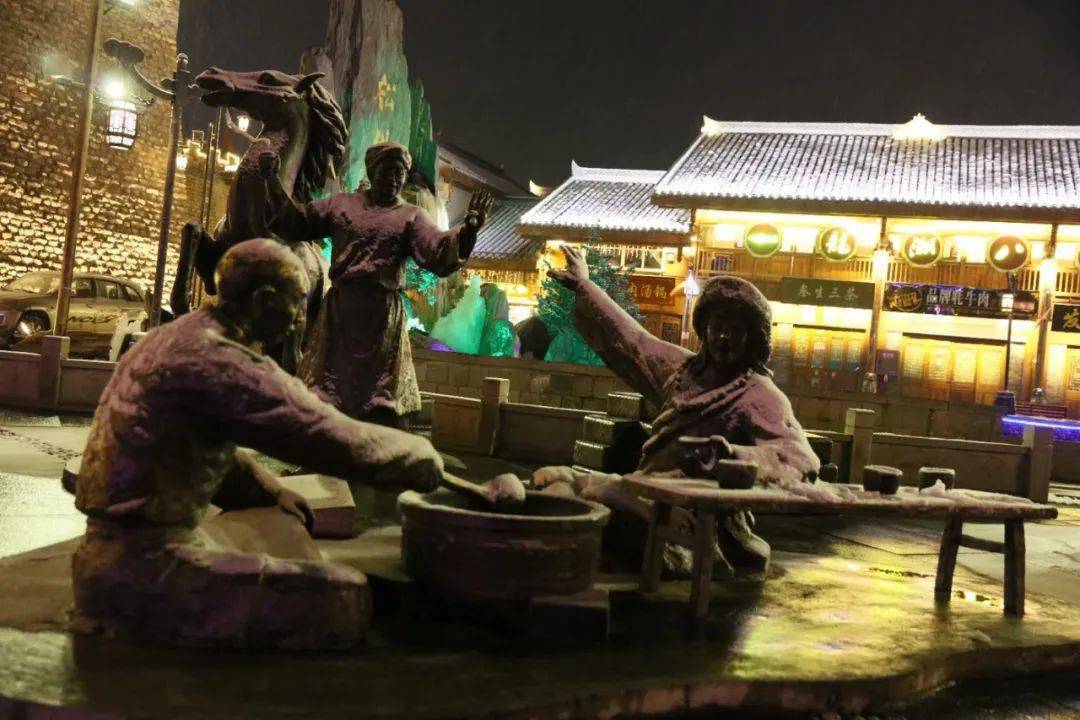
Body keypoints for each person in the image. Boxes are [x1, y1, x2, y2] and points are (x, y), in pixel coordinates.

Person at [72, 239, 444, 650]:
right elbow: (327, 436)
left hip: (105, 560)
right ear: (264, 301)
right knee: (344, 596)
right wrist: (418, 457)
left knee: (285, 550)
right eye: (297, 303)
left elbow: (196, 447)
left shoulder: (174, 336)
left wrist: (270, 490)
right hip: (143, 571)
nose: (300, 318)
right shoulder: (222, 360)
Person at [544, 246, 819, 576]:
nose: (723, 337)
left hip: (693, 513)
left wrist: (734, 457)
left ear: (752, 338)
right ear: (704, 328)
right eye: (716, 326)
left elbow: (797, 456)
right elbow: (632, 341)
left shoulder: (759, 394)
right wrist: (584, 285)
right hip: (647, 487)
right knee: (553, 484)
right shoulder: (682, 370)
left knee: (596, 504)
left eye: (735, 331)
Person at [261, 141, 493, 427]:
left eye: (399, 173)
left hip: (382, 317)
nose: (393, 178)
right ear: (372, 172)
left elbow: (438, 251)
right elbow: (295, 221)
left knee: (380, 398)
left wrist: (468, 231)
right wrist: (272, 180)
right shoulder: (341, 205)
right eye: (387, 171)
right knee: (331, 390)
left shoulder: (411, 216)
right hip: (342, 313)